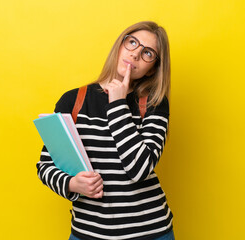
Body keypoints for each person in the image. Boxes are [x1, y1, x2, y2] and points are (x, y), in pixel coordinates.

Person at [36, 21, 174, 240]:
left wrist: (118, 104)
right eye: (132, 42)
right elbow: (45, 166)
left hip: (150, 232)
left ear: (153, 69)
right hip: (88, 233)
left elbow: (139, 169)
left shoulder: (154, 103)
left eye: (148, 53)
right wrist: (73, 184)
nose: (136, 54)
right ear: (120, 45)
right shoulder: (74, 100)